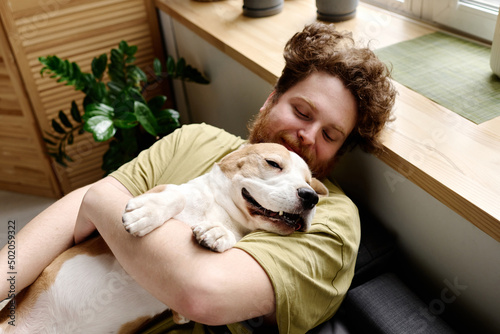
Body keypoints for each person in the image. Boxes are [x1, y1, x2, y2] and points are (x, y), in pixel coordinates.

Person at [0, 22, 396, 333]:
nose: (306, 137)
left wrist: (99, 201)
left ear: (338, 153)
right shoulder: (196, 138)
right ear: (271, 98)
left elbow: (201, 294)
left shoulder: (329, 217)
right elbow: (68, 218)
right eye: (302, 112)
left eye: (329, 135)